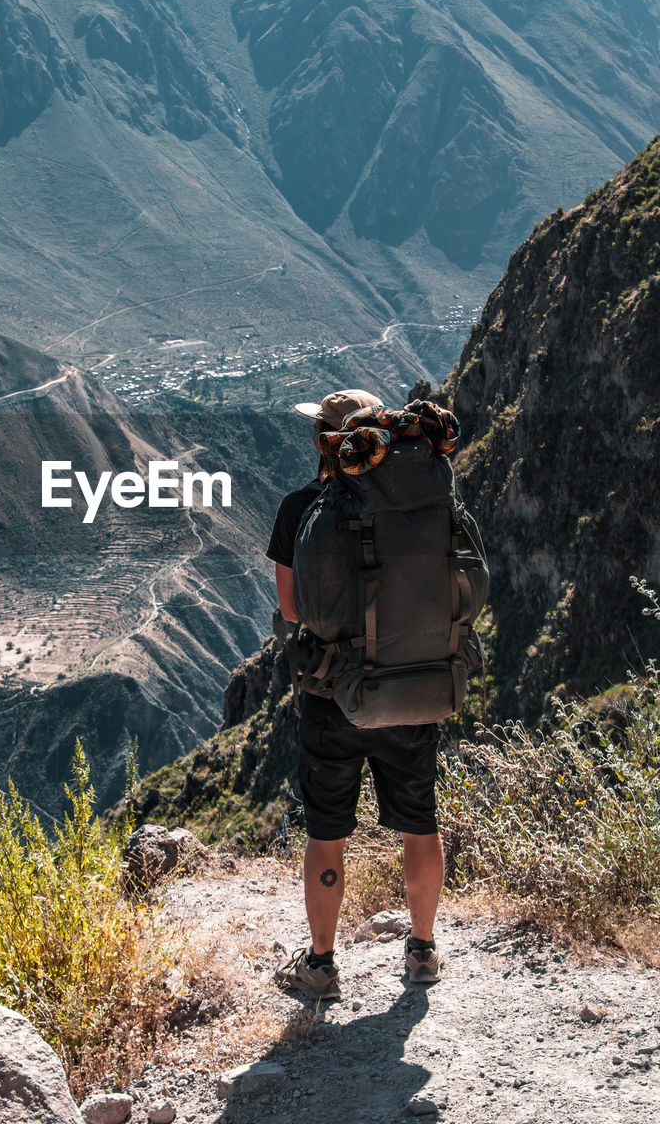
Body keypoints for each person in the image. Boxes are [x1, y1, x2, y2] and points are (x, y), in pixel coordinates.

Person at [267, 389, 443, 1001]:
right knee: (419, 824)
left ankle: (322, 964)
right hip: (411, 685)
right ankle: (421, 951)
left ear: (324, 441)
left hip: (331, 692)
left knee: (327, 830)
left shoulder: (300, 508)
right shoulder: (418, 502)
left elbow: (292, 610)